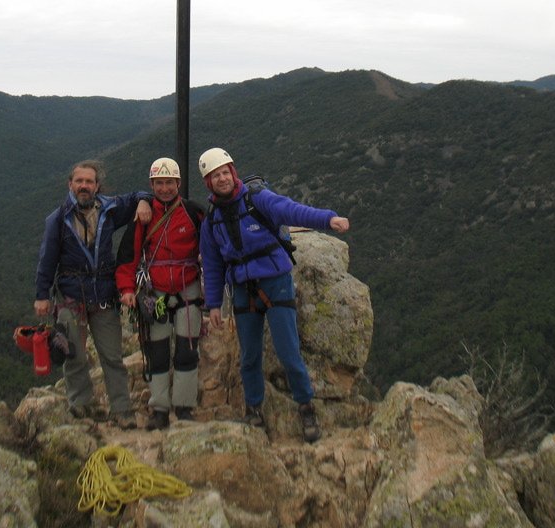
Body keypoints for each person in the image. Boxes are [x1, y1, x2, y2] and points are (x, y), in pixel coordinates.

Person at [198, 147, 350, 443]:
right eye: (215, 176)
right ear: (208, 183)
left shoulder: (257, 199)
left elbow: (291, 210)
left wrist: (328, 219)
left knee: (288, 351)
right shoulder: (212, 220)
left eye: (225, 172)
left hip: (275, 281)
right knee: (249, 356)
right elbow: (213, 264)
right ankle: (254, 409)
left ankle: (306, 407)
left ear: (233, 172)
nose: (222, 179)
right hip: (243, 288)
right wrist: (213, 305)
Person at [34, 159, 152, 429]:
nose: (84, 186)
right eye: (79, 181)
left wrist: (144, 201)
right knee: (73, 354)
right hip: (70, 294)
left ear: (97, 186)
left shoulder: (109, 210)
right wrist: (42, 294)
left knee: (112, 355)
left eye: (89, 181)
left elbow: (137, 195)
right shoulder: (58, 220)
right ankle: (81, 405)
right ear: (70, 184)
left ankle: (121, 409)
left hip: (102, 293)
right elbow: (47, 259)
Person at [115, 157, 206, 430]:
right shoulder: (143, 216)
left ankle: (184, 406)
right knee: (157, 352)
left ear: (178, 183)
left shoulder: (193, 212)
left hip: (188, 288)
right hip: (156, 293)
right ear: (152, 184)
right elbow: (128, 255)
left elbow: (211, 248)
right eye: (159, 183)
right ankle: (160, 409)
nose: (165, 188)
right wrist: (127, 289)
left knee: (187, 351)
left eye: (169, 182)